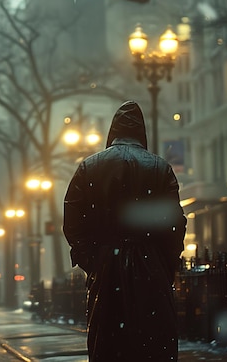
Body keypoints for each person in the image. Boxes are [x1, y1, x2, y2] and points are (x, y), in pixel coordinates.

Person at [63, 100, 186, 362]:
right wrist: (163, 264)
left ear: (112, 132)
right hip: (150, 266)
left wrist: (93, 262)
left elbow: (73, 223)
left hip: (107, 267)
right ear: (141, 133)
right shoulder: (159, 167)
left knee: (107, 343)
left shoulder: (89, 167)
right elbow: (175, 225)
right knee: (153, 343)